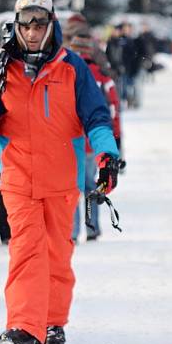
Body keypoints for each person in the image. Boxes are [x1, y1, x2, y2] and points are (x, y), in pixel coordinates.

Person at [0, 0, 120, 344]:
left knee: (57, 255)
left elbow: (96, 117)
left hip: (62, 180)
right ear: (15, 28)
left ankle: (53, 321)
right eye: (25, 25)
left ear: (51, 26)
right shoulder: (3, 71)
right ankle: (24, 329)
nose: (32, 33)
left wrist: (107, 155)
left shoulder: (72, 68)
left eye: (39, 24)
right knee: (26, 251)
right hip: (18, 179)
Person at [67, 31, 122, 242]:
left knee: (73, 187)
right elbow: (114, 107)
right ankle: (92, 227)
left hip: (73, 139)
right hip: (95, 141)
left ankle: (72, 231)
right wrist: (113, 135)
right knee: (91, 186)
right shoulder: (102, 75)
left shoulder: (69, 73)